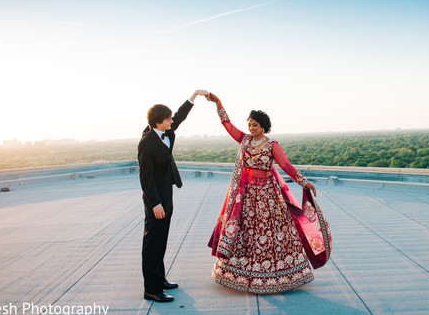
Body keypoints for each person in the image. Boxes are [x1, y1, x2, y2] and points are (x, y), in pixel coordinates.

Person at [206, 92, 322, 294]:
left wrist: (304, 182)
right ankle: (239, 272)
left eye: (255, 125)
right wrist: (218, 104)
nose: (251, 128)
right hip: (247, 195)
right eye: (249, 124)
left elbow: (286, 166)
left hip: (268, 195)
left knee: (270, 231)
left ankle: (278, 274)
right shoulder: (244, 140)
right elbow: (228, 125)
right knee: (245, 232)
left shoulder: (271, 145)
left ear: (263, 127)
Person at [138, 89, 208, 303]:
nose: (171, 122)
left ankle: (160, 279)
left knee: (162, 240)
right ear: (158, 122)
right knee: (153, 243)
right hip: (155, 199)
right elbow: (145, 178)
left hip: (166, 193)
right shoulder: (147, 142)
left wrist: (194, 96)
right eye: (168, 119)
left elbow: (179, 116)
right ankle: (151, 289)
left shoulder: (166, 131)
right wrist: (155, 204)